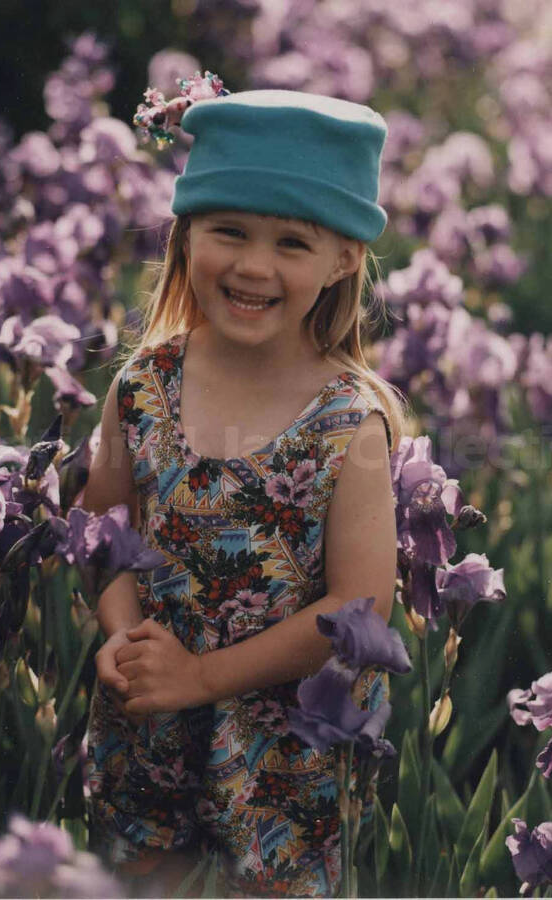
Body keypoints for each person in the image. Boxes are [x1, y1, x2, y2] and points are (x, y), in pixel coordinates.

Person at [81, 85, 409, 898]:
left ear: (342, 260)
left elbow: (360, 608)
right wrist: (124, 637)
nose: (253, 266)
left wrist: (203, 677)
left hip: (282, 751)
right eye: (229, 231)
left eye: (291, 242)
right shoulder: (144, 383)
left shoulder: (346, 420)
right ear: (187, 234)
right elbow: (103, 525)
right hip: (147, 718)